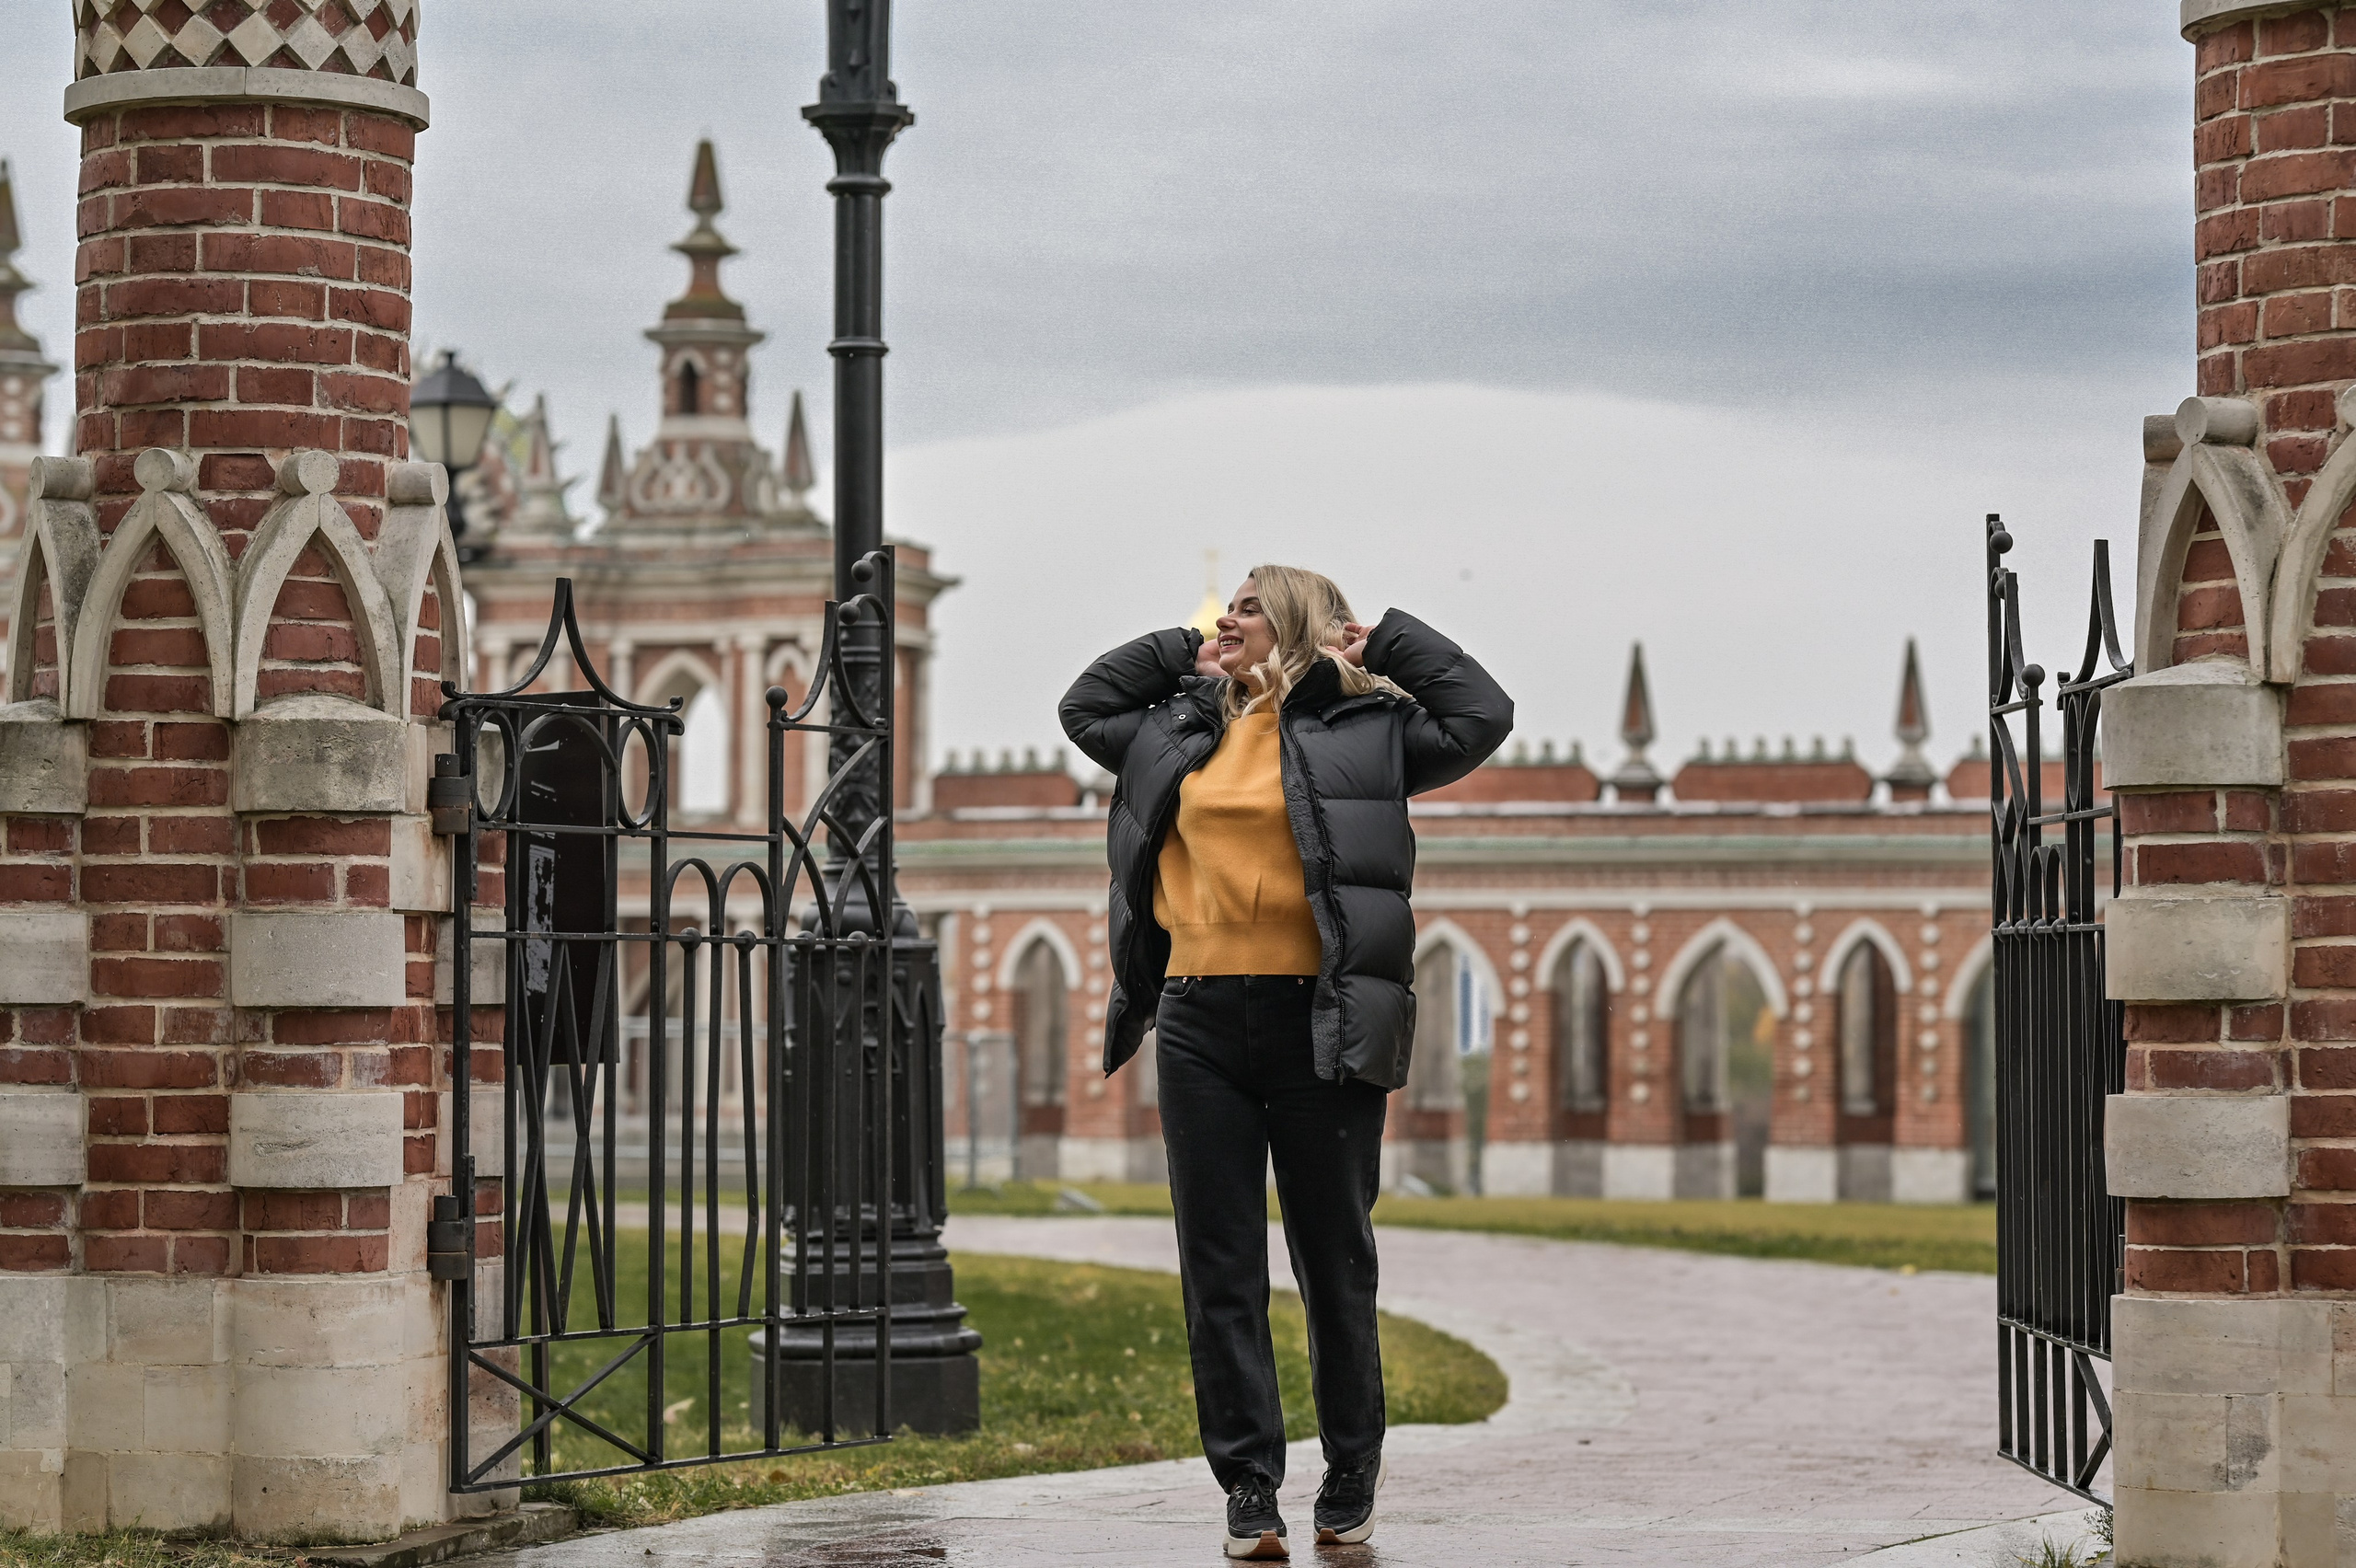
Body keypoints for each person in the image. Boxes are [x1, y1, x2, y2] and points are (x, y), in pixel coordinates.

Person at [1059, 566, 1513, 1560]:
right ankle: (1248, 1488)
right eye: (1224, 606)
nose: (1228, 617)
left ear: (1302, 622)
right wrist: (1190, 649)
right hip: (1197, 1021)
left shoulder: (1370, 735)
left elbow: (1482, 713)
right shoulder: (1173, 731)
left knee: (1334, 1261)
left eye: (1250, 607)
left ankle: (1350, 1465)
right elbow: (1083, 701)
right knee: (1218, 1267)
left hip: (1324, 1020)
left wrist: (1380, 638)